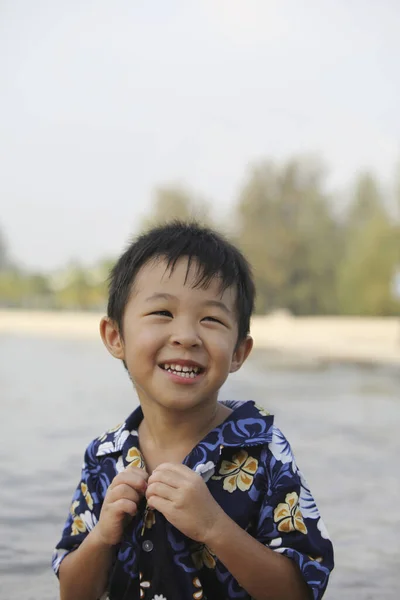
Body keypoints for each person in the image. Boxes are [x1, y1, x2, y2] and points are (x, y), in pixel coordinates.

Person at [52, 221, 334, 600]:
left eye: (212, 319)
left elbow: (301, 592)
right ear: (115, 336)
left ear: (238, 353)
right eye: (162, 313)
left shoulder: (263, 450)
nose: (186, 335)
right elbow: (73, 592)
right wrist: (101, 537)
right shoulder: (105, 456)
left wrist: (214, 526)